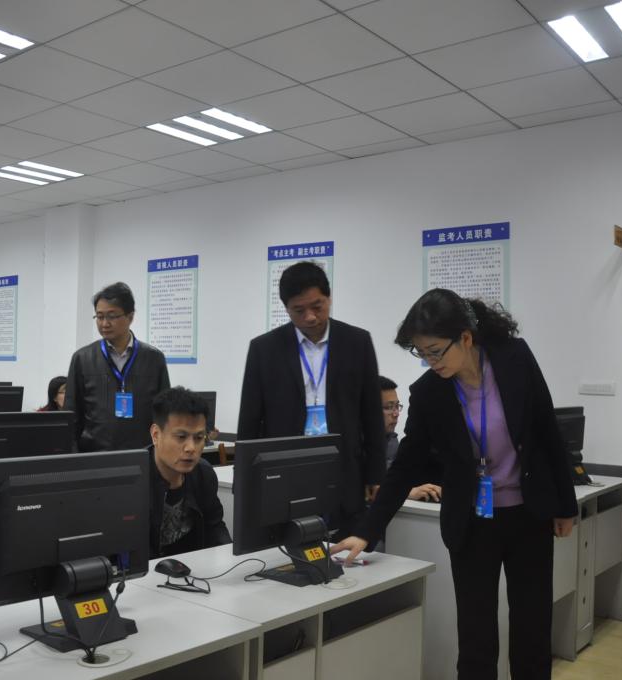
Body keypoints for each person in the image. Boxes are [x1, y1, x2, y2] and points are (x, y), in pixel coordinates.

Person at [331, 289, 577, 680]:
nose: (430, 362)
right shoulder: (429, 392)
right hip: (472, 523)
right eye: (421, 354)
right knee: (477, 639)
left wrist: (565, 505)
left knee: (532, 630)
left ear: (465, 337)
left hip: (528, 516)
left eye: (435, 352)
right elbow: (406, 465)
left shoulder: (514, 358)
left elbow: (547, 429)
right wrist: (367, 530)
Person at [237, 261, 385, 532]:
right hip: (285, 465)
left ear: (329, 298)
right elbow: (250, 418)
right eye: (299, 310)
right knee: (286, 536)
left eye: (317, 307)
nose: (310, 317)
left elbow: (372, 414)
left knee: (343, 538)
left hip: (343, 463)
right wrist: (244, 480)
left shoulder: (357, 342)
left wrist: (376, 474)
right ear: (286, 308)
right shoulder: (264, 349)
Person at [65, 282, 171, 452]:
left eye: (112, 316)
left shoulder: (153, 358)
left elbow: (164, 413)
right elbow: (71, 416)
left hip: (142, 453)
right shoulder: (82, 358)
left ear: (130, 317)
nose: (104, 323)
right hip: (94, 455)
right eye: (99, 317)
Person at [149, 387, 231, 558]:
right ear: (156, 435)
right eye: (181, 437)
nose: (191, 448)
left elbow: (215, 527)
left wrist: (232, 559)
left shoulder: (204, 474)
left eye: (199, 438)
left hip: (192, 568)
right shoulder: (133, 481)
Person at [381, 375, 443, 502]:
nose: (396, 414)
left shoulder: (392, 440)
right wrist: (406, 491)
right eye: (388, 407)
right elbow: (360, 487)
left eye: (397, 406)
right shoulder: (349, 445)